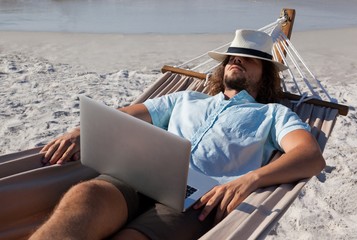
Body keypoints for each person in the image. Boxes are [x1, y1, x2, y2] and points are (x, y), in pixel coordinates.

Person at [29, 29, 325, 240]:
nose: (236, 60)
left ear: (266, 74)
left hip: (197, 198)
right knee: (86, 194)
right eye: (232, 56)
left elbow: (309, 156)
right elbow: (127, 115)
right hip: (141, 174)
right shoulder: (185, 99)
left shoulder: (272, 115)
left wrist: (251, 179)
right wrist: (83, 129)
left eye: (248, 58)